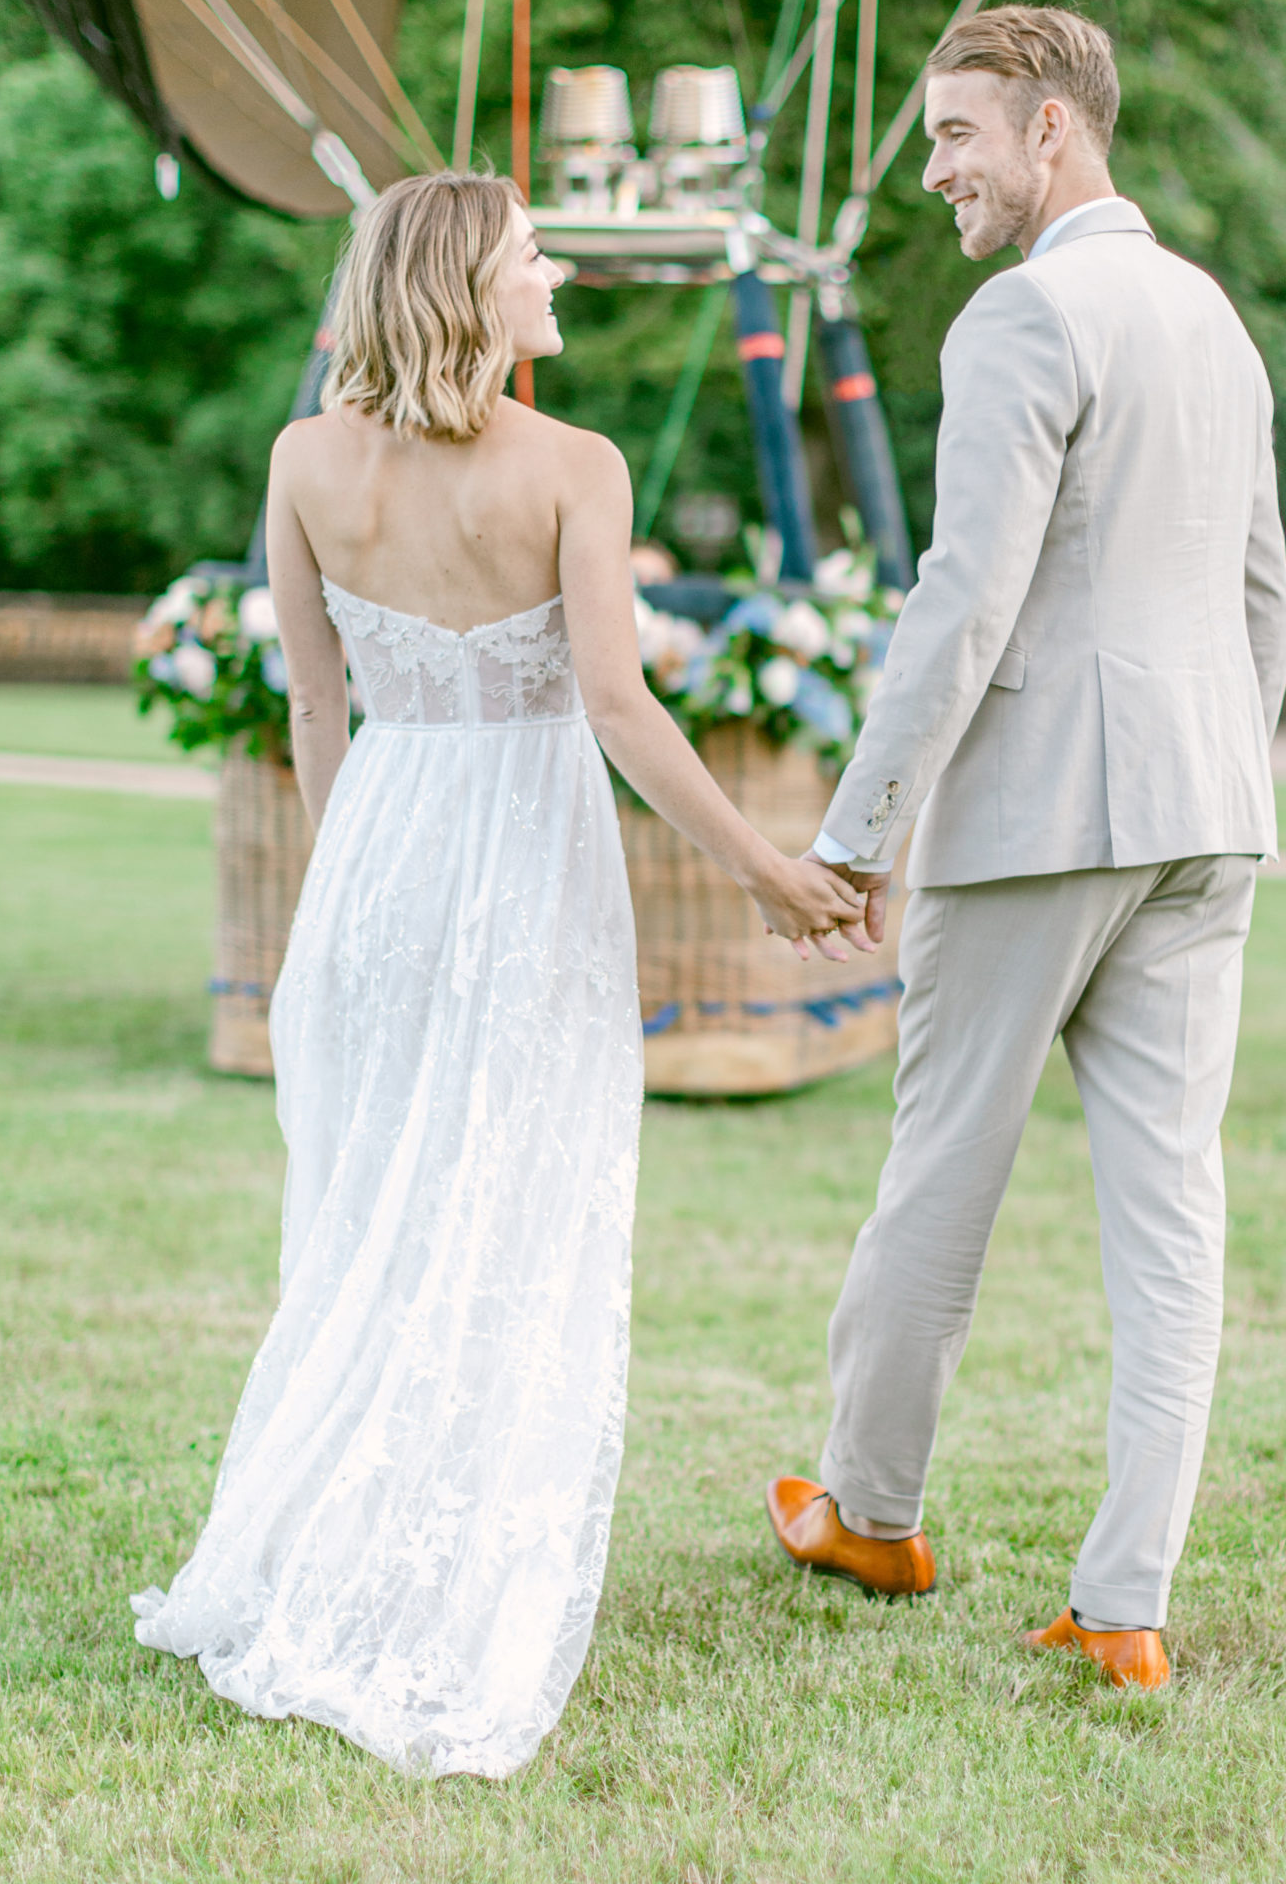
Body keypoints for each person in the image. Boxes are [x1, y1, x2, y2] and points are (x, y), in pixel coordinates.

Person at [134, 172, 866, 1777]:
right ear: (470, 285)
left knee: (374, 1220)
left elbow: (314, 714)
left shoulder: (307, 462)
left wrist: (341, 902)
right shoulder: (572, 469)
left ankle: (328, 1543)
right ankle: (440, 1574)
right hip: (525, 871)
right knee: (510, 1204)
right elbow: (618, 708)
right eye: (537, 259)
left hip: (380, 860)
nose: (558, 281)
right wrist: (770, 870)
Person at [764, 5, 1286, 1691]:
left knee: (940, 1180)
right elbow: (1264, 595)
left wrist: (859, 828)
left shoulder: (1024, 316)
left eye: (955, 137)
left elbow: (967, 594)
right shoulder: (1213, 318)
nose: (935, 175)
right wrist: (1215, 768)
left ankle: (871, 1509)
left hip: (1038, 822)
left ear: (1051, 127)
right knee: (1171, 1213)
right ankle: (1127, 1603)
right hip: (1207, 818)